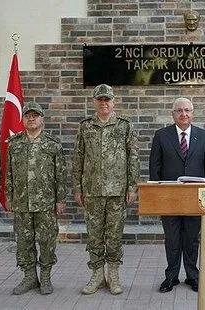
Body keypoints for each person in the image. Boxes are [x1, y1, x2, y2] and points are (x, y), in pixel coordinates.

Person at [74, 84, 140, 295]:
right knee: (94, 236)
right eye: (100, 99)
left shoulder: (124, 126)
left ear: (113, 102)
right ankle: (97, 275)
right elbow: (78, 159)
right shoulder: (85, 127)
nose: (104, 103)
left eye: (107, 100)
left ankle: (113, 275)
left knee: (114, 236)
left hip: (117, 191)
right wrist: (77, 188)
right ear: (94, 102)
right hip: (92, 191)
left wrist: (132, 187)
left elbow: (133, 158)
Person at [149, 97, 205, 293]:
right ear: (173, 114)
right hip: (169, 197)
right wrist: (156, 196)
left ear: (193, 113)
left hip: (195, 198)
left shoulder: (204, 136)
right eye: (179, 110)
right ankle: (171, 277)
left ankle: (192, 276)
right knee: (172, 238)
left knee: (191, 238)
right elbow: (155, 167)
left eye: (187, 110)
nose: (183, 114)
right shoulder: (161, 135)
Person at [6, 102, 67, 295]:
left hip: (46, 202)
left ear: (42, 119)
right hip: (22, 202)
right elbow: (9, 174)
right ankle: (30, 277)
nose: (31, 119)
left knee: (47, 241)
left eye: (35, 115)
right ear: (22, 119)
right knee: (24, 241)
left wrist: (60, 199)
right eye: (27, 116)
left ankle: (46, 276)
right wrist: (9, 196)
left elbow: (60, 174)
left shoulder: (52, 144)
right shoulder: (14, 144)